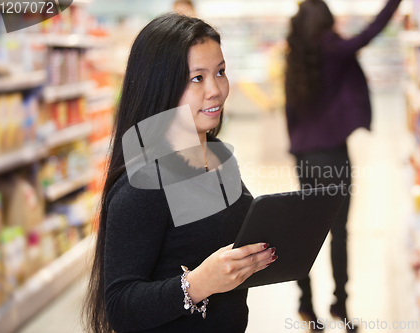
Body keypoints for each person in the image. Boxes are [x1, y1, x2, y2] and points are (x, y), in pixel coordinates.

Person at [82, 14, 278, 333]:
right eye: (197, 78)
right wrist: (197, 284)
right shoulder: (142, 183)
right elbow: (120, 307)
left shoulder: (216, 157)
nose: (215, 89)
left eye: (220, 72)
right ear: (160, 86)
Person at [284, 0, 402, 331]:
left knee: (306, 233)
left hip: (304, 156)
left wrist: (296, 149)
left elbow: (290, 112)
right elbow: (369, 34)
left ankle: (306, 306)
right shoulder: (332, 49)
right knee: (339, 233)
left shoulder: (295, 55)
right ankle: (342, 307)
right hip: (333, 155)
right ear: (325, 20)